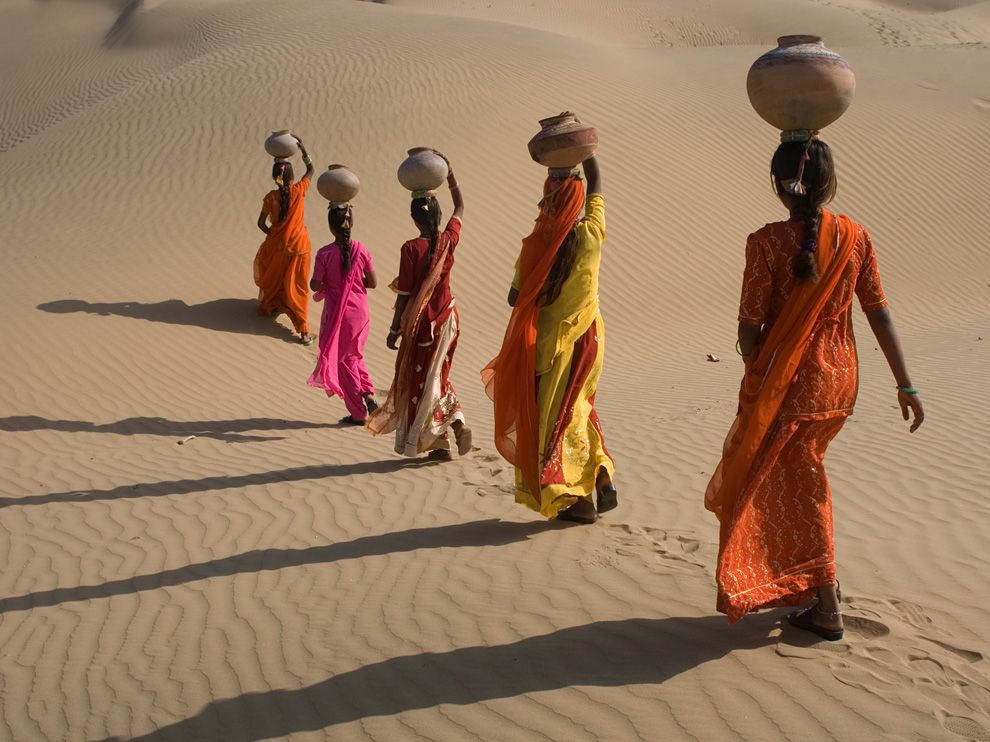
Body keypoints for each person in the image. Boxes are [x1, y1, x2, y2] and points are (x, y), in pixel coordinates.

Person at [705, 133, 925, 640]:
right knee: (797, 476)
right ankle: (807, 581)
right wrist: (906, 384)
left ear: (778, 185)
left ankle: (826, 600)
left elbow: (749, 325)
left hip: (788, 385)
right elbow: (879, 312)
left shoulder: (765, 242)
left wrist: (755, 366)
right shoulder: (855, 236)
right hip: (839, 381)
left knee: (797, 484)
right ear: (829, 184)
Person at [482, 155, 616, 524]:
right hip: (590, 339)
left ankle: (576, 499)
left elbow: (514, 297)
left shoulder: (535, 244)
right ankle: (601, 471)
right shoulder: (591, 233)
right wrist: (585, 156)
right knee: (579, 406)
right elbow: (597, 188)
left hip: (550, 347)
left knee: (557, 417)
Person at [366, 152, 472, 460]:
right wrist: (450, 174)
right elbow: (460, 207)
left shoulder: (411, 248)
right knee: (438, 376)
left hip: (425, 325)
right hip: (449, 319)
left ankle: (453, 425)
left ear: (414, 218)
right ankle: (441, 440)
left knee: (422, 382)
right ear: (438, 214)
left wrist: (393, 329)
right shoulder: (448, 240)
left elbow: (405, 294)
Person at [307, 202, 379, 424]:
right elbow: (373, 283)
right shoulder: (362, 249)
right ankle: (367, 394)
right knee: (354, 355)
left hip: (339, 316)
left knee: (343, 362)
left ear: (331, 227)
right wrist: (353, 279)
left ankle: (358, 413)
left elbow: (314, 284)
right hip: (361, 314)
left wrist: (330, 281)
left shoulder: (324, 253)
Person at [254, 136, 315, 344]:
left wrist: (273, 235)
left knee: (277, 278)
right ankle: (304, 331)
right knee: (298, 287)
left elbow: (261, 223)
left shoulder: (271, 197)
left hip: (278, 246)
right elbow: (311, 170)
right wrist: (303, 150)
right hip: (300, 247)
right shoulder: (299, 190)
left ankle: (272, 305)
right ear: (292, 176)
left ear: (275, 177)